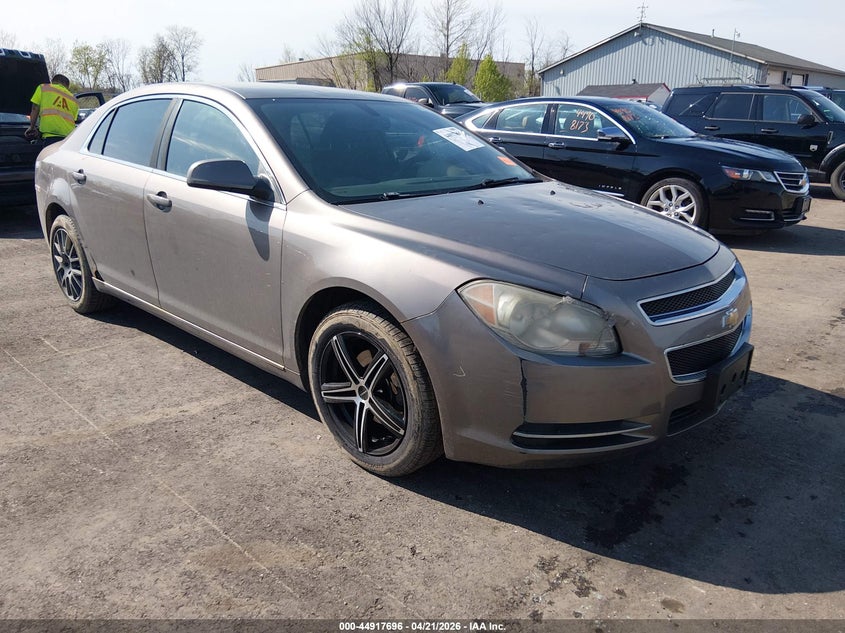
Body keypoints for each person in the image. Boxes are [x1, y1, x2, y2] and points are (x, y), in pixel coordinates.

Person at [26, 74, 79, 145]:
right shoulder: (74, 99)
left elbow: (35, 109)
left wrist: (32, 127)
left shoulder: (43, 88)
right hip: (68, 139)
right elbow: (73, 120)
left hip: (50, 137)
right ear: (67, 86)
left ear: (53, 82)